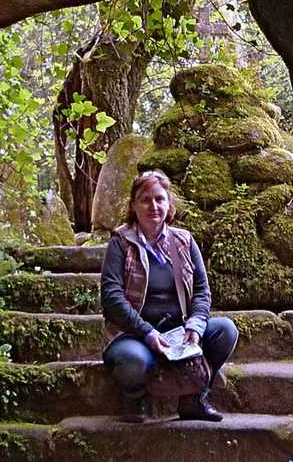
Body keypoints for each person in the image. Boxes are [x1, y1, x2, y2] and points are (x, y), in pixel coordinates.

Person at [101, 169, 238, 423]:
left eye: (159, 199)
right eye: (145, 199)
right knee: (134, 363)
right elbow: (111, 296)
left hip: (178, 332)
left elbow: (201, 291)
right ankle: (134, 398)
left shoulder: (184, 241)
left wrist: (195, 327)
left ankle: (194, 398)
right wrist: (147, 333)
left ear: (168, 203)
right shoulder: (120, 242)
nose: (153, 206)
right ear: (133, 205)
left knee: (225, 331)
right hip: (133, 334)